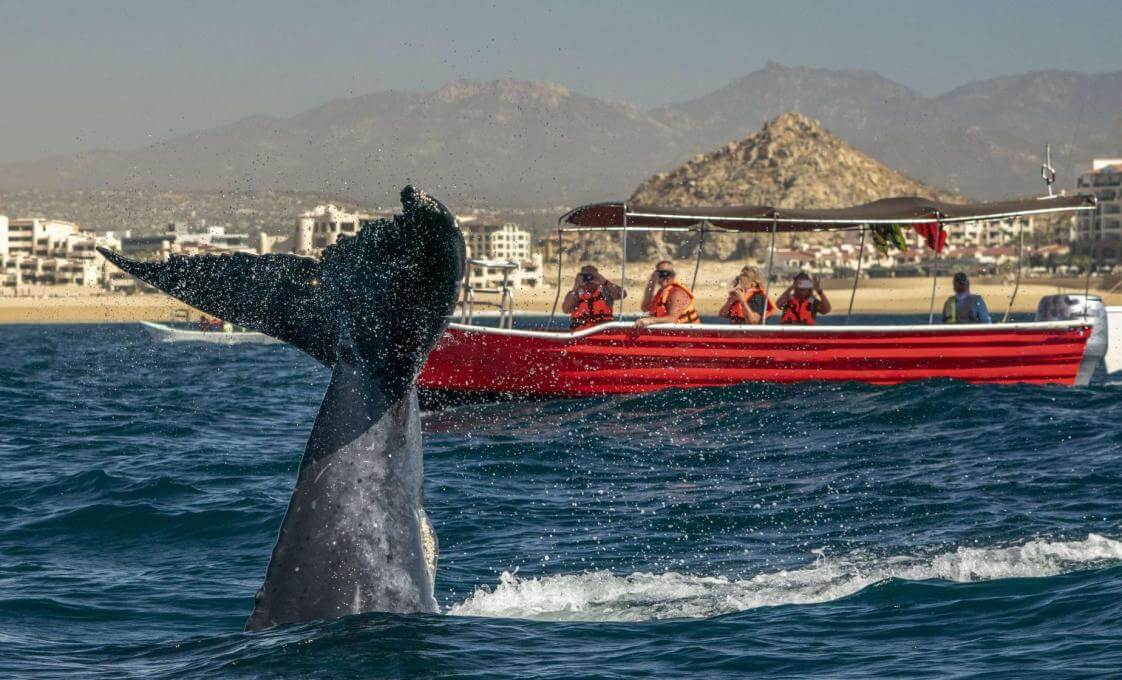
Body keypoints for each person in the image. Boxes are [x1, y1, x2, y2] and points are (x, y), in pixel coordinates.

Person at [635, 260, 700, 329]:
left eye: (668, 274)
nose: (665, 277)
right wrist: (652, 282)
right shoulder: (662, 293)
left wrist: (651, 320)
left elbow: (672, 319)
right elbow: (645, 308)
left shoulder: (677, 293)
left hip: (689, 335)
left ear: (673, 275)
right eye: (661, 274)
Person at [562, 264, 625, 330]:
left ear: (597, 276)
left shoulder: (605, 291)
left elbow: (623, 294)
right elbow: (566, 309)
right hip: (580, 334)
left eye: (592, 276)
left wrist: (605, 282)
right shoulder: (575, 294)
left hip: (602, 334)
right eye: (585, 276)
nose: (589, 279)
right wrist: (575, 287)